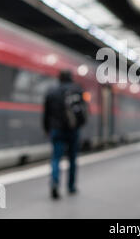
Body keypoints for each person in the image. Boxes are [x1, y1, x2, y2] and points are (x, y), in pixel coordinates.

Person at [43, 69, 87, 199]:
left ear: (59, 78)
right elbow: (83, 111)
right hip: (73, 130)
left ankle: (55, 182)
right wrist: (79, 126)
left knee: (56, 158)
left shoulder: (52, 92)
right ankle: (71, 186)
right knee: (72, 159)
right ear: (71, 78)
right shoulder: (78, 90)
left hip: (57, 130)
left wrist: (46, 129)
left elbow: (46, 114)